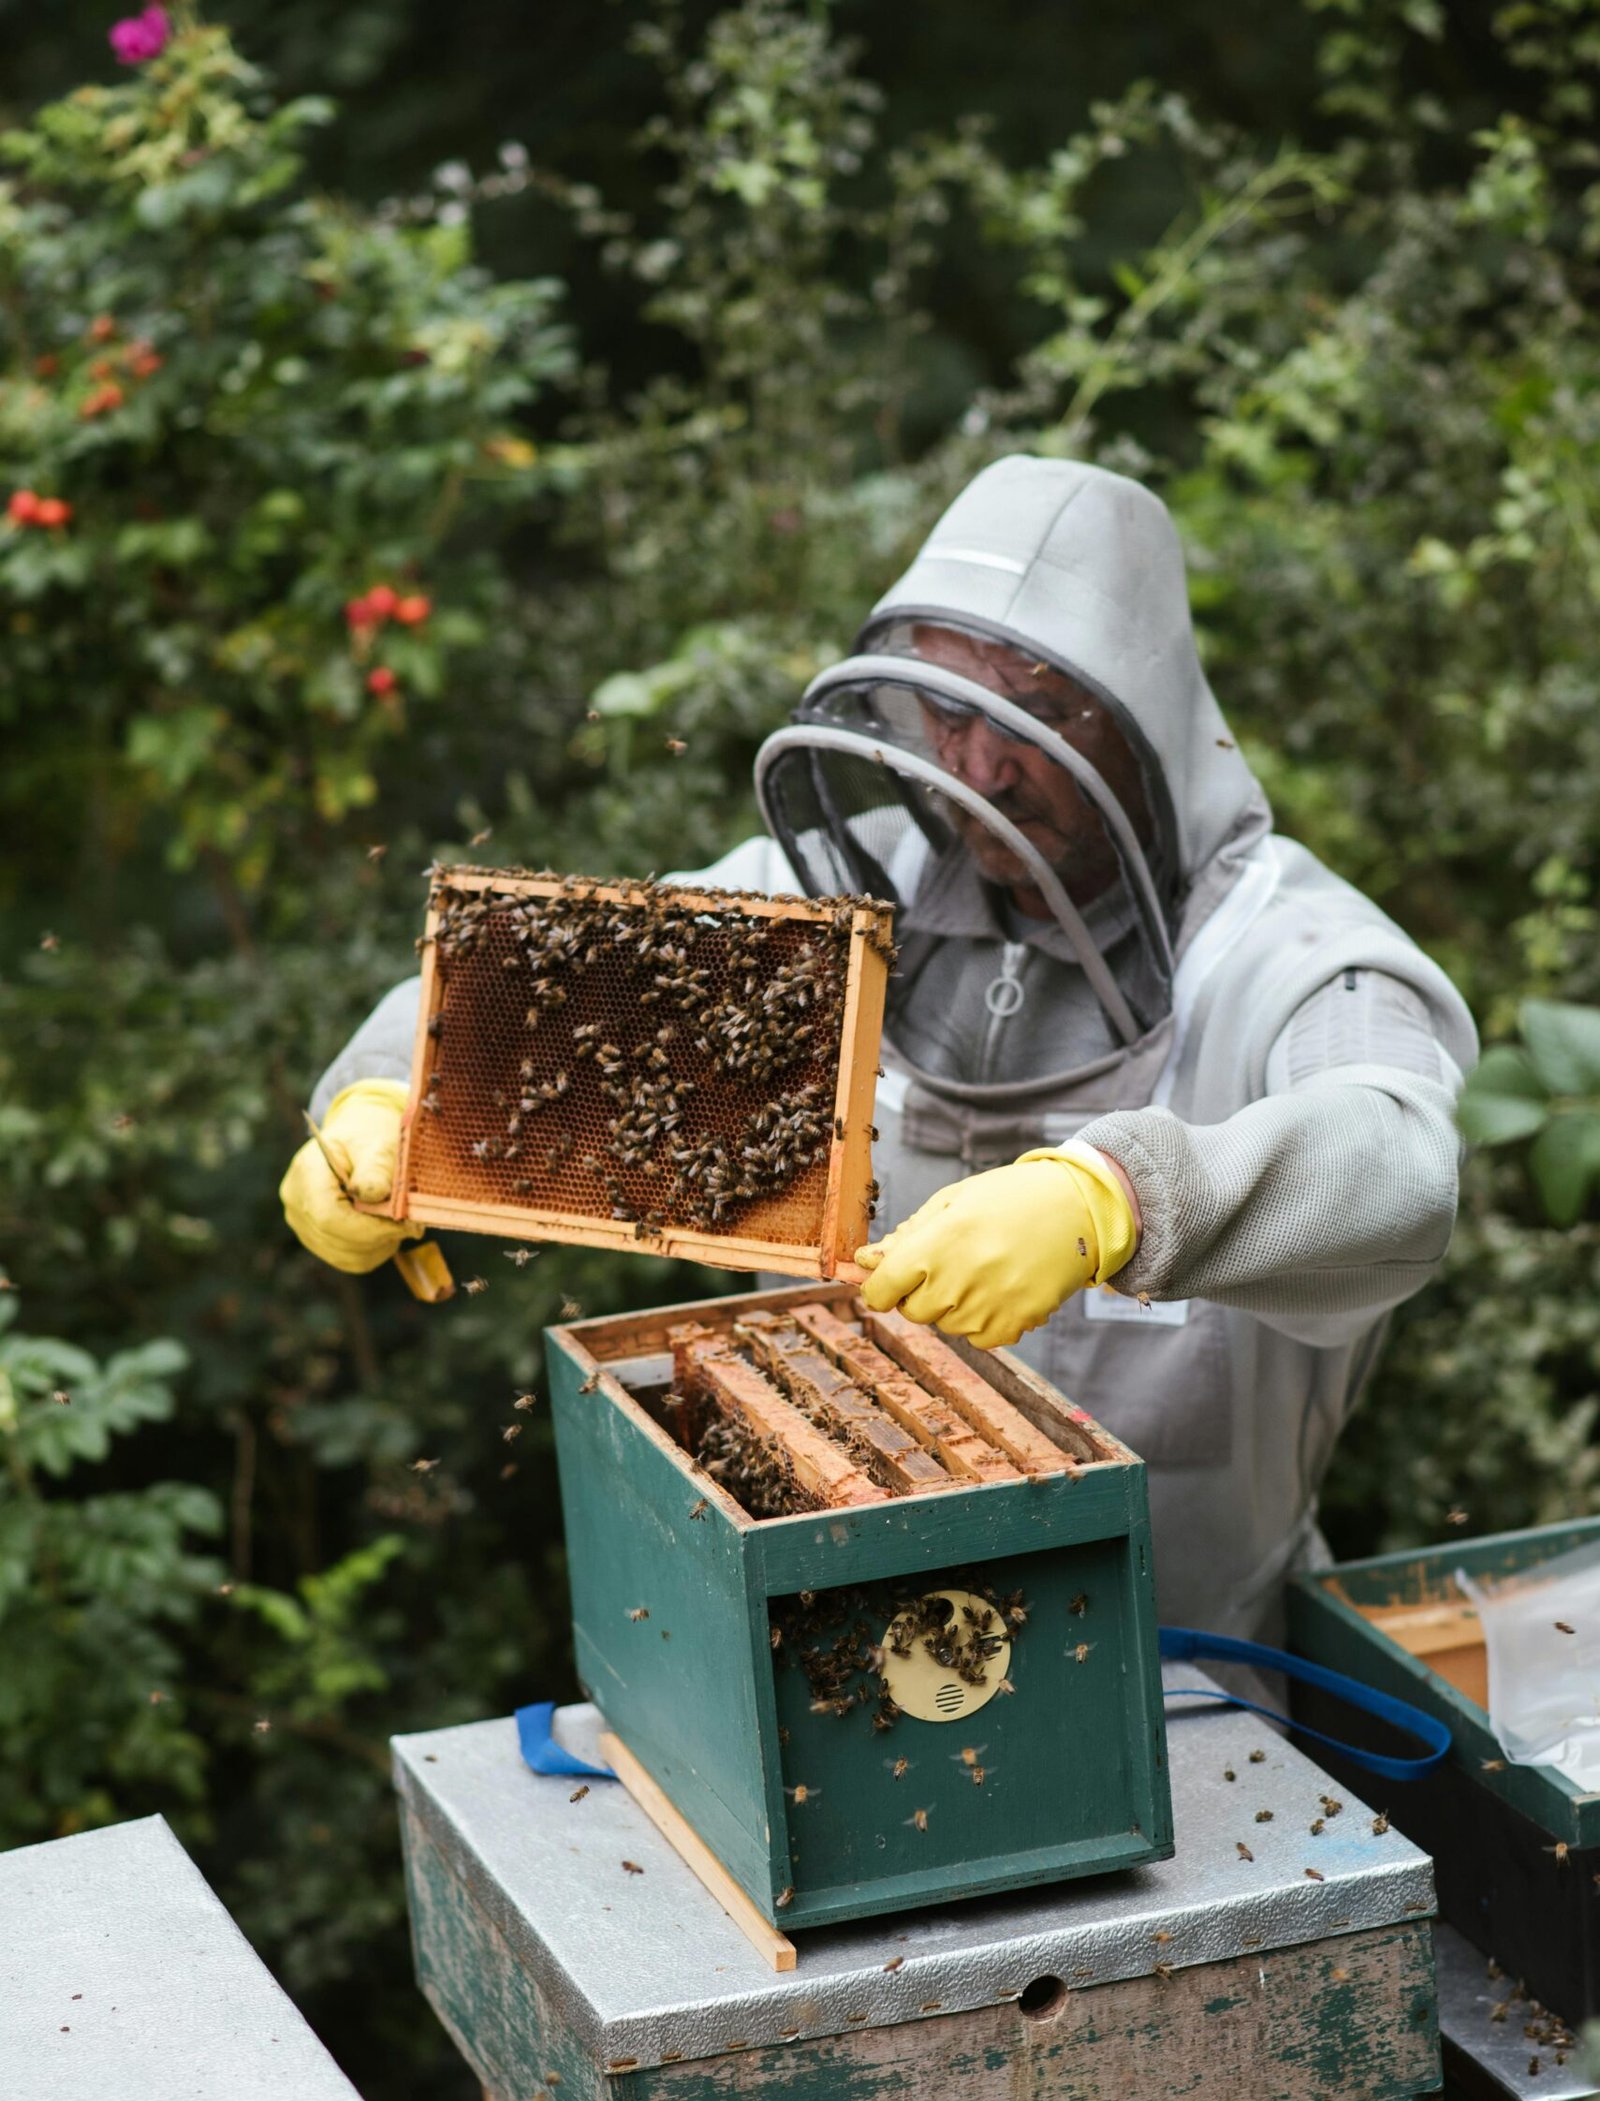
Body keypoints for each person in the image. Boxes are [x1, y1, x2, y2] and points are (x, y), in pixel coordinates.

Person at [282, 457, 1476, 1638]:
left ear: (1146, 724)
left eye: (1042, 716)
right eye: (951, 713)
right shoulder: (832, 898)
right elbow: (536, 987)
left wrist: (1117, 1198)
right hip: (832, 1639)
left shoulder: (1295, 953)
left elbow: (1399, 1161)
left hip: (1195, 1682)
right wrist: (390, 1095)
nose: (982, 766)